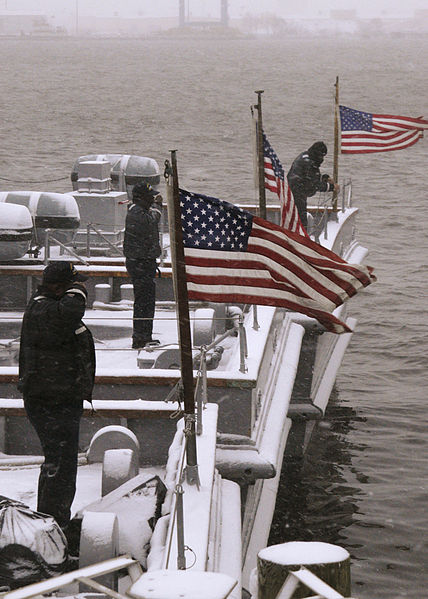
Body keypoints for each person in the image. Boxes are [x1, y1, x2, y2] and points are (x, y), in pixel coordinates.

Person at [18, 261, 95, 534]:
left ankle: (54, 518)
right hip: (49, 400)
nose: (80, 288)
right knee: (58, 463)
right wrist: (77, 292)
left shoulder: (50, 307)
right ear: (58, 286)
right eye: (74, 284)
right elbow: (69, 313)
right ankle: (51, 522)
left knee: (62, 462)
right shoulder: (43, 308)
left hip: (60, 398)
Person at [123, 181, 163, 349]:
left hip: (144, 262)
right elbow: (151, 221)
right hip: (140, 263)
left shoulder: (140, 211)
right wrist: (157, 207)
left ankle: (145, 336)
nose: (152, 199)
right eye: (150, 197)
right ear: (141, 198)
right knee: (143, 302)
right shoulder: (137, 213)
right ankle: (140, 338)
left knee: (147, 301)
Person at [287, 141, 340, 230]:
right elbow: (314, 184)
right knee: (301, 219)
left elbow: (310, 178)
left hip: (295, 189)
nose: (322, 159)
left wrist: (325, 178)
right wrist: (331, 187)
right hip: (298, 192)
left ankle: (299, 232)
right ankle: (301, 237)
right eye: (322, 156)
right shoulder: (309, 163)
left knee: (297, 216)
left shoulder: (306, 157)